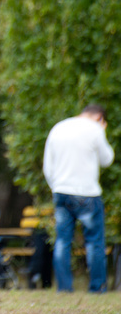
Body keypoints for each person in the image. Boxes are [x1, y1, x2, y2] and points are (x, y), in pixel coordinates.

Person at [43, 103, 114, 293]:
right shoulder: (95, 129)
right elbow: (107, 159)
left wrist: (56, 187)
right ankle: (97, 287)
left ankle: (64, 288)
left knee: (62, 241)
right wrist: (102, 131)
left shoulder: (58, 128)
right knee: (94, 242)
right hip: (87, 193)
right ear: (99, 117)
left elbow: (48, 167)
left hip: (61, 191)